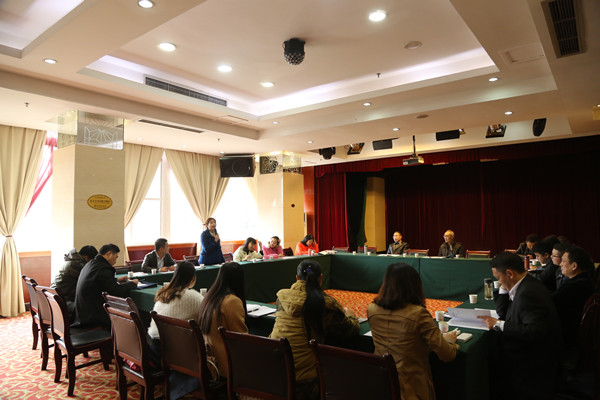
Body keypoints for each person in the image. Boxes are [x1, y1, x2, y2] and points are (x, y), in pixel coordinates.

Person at [270, 259, 359, 400]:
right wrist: (351, 315)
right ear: (321, 278)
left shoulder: (282, 297)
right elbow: (349, 330)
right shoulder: (324, 304)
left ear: (297, 278)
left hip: (274, 371)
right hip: (305, 381)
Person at [367, 263, 458, 400]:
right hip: (411, 389)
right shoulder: (418, 314)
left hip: (381, 385)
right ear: (415, 286)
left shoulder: (372, 309)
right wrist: (449, 339)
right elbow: (447, 354)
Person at [478, 251, 561, 400]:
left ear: (509, 273)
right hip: (532, 350)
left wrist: (498, 324)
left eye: (498, 278)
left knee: (488, 357)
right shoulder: (526, 282)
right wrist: (504, 288)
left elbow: (535, 331)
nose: (498, 282)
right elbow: (503, 312)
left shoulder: (527, 293)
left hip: (533, 360)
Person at [147, 261, 204, 399]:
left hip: (154, 349)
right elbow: (205, 318)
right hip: (173, 353)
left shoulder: (163, 293)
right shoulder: (194, 297)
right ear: (193, 278)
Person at [197, 262, 248, 378]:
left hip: (209, 359)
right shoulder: (232, 301)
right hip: (225, 364)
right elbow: (241, 338)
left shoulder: (209, 297)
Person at [74, 243, 138, 330]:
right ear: (109, 253)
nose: (115, 261)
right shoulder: (103, 269)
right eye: (116, 257)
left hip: (83, 313)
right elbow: (118, 291)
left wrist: (116, 280)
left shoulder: (91, 264)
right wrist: (133, 283)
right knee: (129, 316)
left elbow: (98, 282)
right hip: (93, 317)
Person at [552, 246, 595, 353]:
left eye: (563, 261)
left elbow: (550, 303)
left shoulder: (575, 286)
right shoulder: (585, 279)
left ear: (574, 266)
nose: (560, 264)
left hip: (567, 337)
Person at [53, 245, 98, 316]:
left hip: (57, 299)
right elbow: (89, 282)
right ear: (85, 257)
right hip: (64, 301)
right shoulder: (76, 265)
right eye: (91, 261)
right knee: (94, 308)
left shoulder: (71, 261)